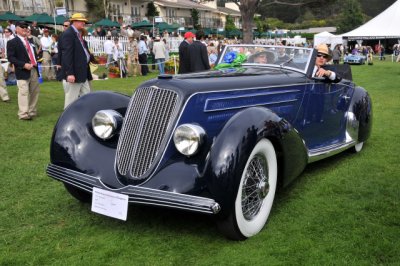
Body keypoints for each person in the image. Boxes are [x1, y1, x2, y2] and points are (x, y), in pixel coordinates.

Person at [7, 21, 40, 120]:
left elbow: (32, 55)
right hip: (22, 70)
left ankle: (32, 111)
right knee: (24, 92)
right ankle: (23, 114)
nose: (25, 28)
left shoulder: (30, 42)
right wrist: (24, 64)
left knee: (35, 91)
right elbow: (11, 58)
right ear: (16, 29)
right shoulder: (12, 42)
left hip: (34, 69)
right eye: (22, 27)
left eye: (26, 26)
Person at [59, 13, 92, 109]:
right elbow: (67, 55)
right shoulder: (68, 34)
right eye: (82, 21)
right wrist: (69, 73)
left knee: (87, 96)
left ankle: (85, 116)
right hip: (75, 72)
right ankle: (67, 119)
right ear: (75, 21)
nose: (84, 23)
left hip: (82, 71)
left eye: (84, 21)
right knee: (71, 100)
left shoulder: (76, 33)